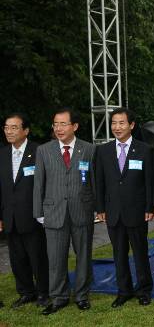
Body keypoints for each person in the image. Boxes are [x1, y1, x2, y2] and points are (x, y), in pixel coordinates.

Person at [33, 108, 96, 315]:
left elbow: (94, 182)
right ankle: (58, 297)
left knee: (83, 256)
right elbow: (38, 183)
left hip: (82, 210)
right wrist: (38, 211)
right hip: (53, 212)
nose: (58, 128)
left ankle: (81, 295)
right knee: (56, 258)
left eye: (63, 124)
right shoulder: (44, 150)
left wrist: (96, 208)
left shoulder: (89, 149)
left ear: (75, 126)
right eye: (55, 124)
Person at [95, 108, 154, 308]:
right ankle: (124, 290)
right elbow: (99, 182)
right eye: (114, 123)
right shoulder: (103, 151)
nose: (117, 127)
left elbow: (149, 182)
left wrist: (149, 207)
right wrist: (100, 207)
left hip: (137, 211)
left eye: (121, 123)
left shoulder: (145, 149)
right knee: (118, 254)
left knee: (140, 253)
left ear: (131, 125)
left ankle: (144, 290)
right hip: (113, 212)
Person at [0, 113, 49, 308]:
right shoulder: (2, 154)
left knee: (38, 257)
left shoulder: (40, 151)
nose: (9, 131)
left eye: (14, 127)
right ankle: (26, 292)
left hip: (34, 216)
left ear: (26, 130)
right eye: (6, 127)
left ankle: (44, 293)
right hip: (10, 217)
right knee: (17, 258)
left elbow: (47, 184)